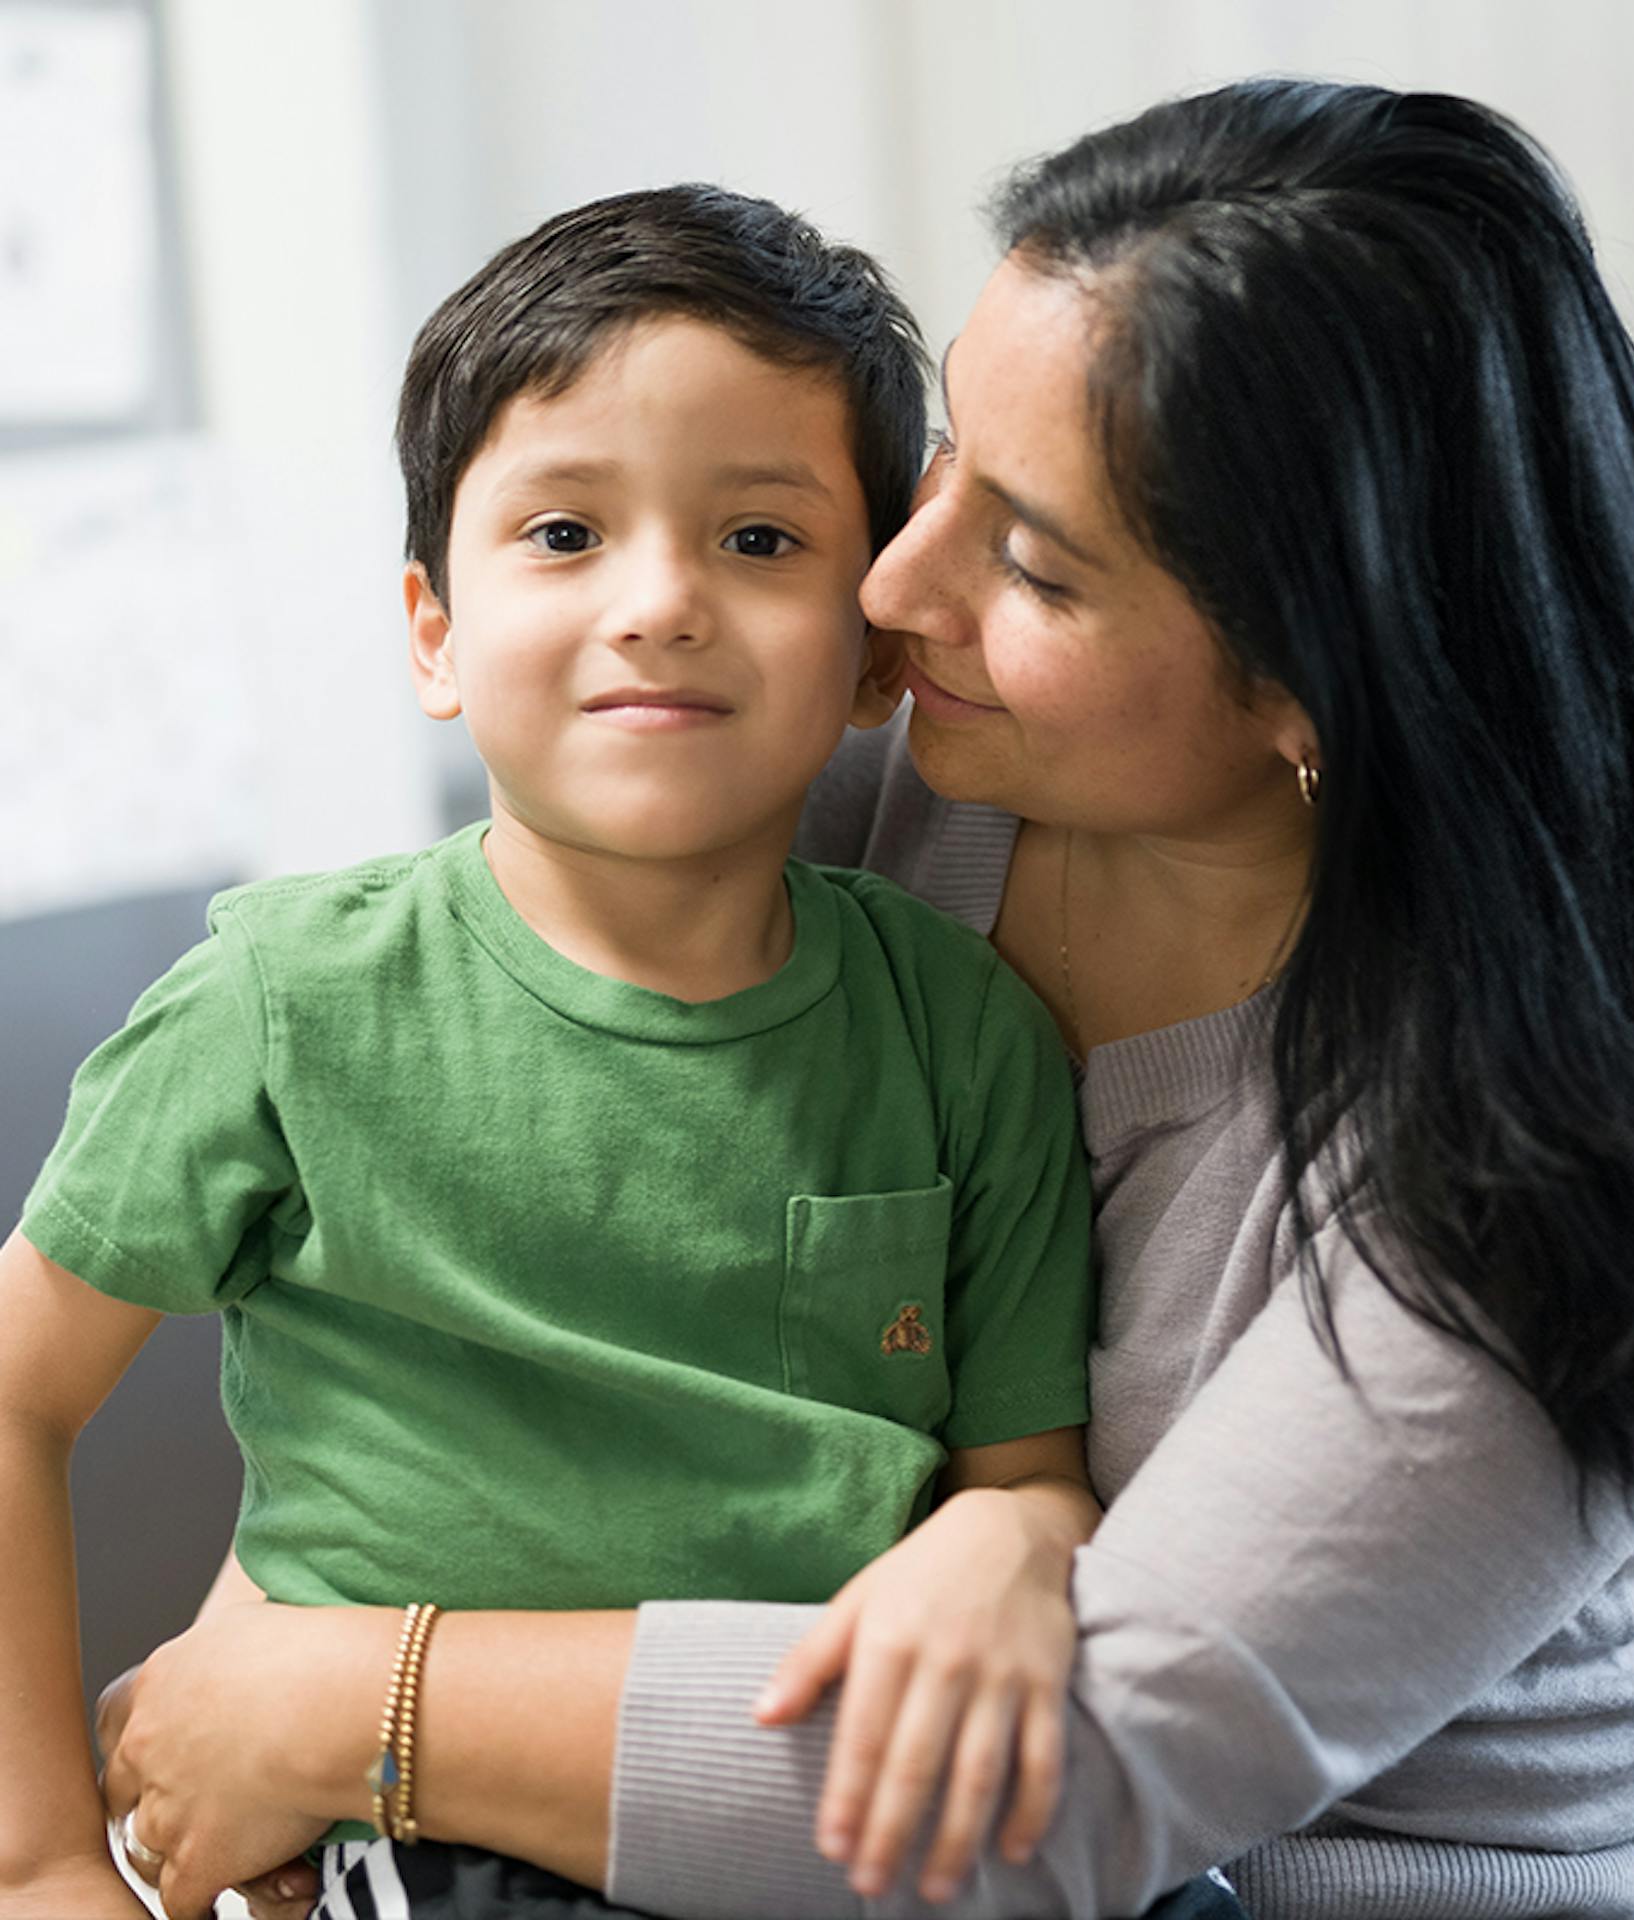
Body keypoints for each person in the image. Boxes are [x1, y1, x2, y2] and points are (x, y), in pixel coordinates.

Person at [93, 77, 1634, 1920]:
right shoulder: (889, 787)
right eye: (949, 455)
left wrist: (356, 1701)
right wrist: (285, 1621)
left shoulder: (1592, 1147)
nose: (898, 577)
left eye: (1033, 558)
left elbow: (1077, 1790)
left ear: (1317, 687)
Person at [0, 183, 1223, 1920]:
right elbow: (14, 1384)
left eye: (759, 542)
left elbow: (1023, 1485)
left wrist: (1006, 1548)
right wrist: (40, 1858)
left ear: (879, 656)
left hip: (806, 1810)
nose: (658, 604)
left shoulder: (965, 1032)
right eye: (566, 535)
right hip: (421, 1830)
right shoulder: (287, 1001)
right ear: (434, 629)